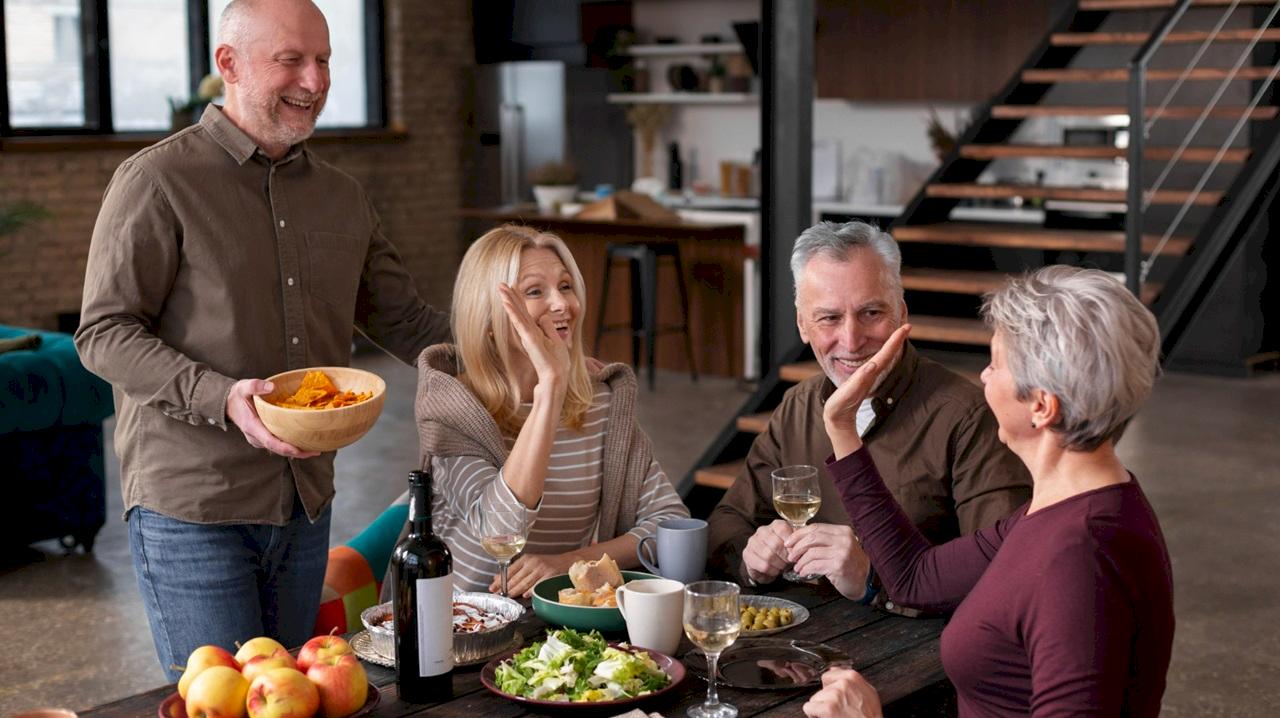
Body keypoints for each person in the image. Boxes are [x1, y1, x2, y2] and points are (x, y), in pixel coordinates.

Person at [74, 0, 450, 680]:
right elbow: (103, 333)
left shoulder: (341, 196)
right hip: (194, 506)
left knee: (296, 696)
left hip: (305, 501)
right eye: (291, 60)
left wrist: (519, 362)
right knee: (228, 699)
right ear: (228, 65)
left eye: (325, 60)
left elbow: (406, 320)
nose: (314, 80)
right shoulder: (156, 181)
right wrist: (223, 397)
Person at [803, 266, 1174, 717]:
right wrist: (843, 428)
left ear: (1040, 406)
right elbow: (914, 578)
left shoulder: (1081, 555)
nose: (983, 377)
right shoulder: (1067, 507)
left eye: (995, 363)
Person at [707, 221, 1030, 604]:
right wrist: (751, 555)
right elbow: (726, 523)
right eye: (829, 318)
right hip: (809, 643)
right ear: (802, 325)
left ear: (901, 312)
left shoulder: (967, 415)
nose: (852, 340)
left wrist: (872, 577)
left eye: (871, 312)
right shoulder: (798, 404)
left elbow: (1003, 574)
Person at [403, 224, 689, 596]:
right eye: (535, 291)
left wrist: (569, 562)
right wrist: (550, 388)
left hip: (552, 623)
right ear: (488, 317)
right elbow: (499, 533)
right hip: (462, 623)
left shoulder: (602, 401)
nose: (562, 304)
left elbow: (670, 524)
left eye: (566, 286)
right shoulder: (453, 408)